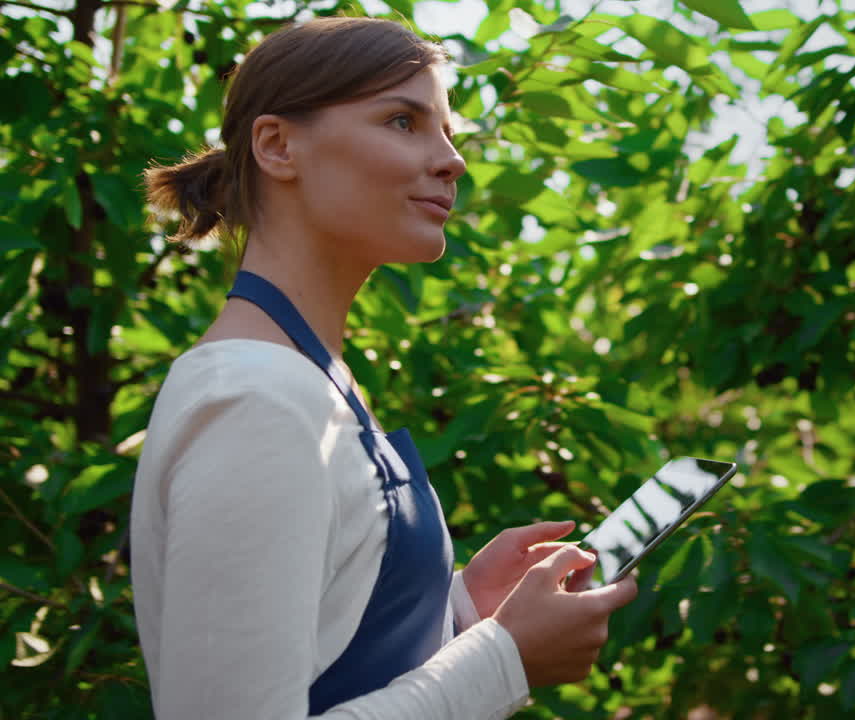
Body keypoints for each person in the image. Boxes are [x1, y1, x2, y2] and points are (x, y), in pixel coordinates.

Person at [130, 16, 638, 719]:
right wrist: (504, 659)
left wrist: (459, 608)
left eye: (448, 131)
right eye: (404, 121)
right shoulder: (257, 400)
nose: (452, 159)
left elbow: (332, 649)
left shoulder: (306, 376)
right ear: (278, 146)